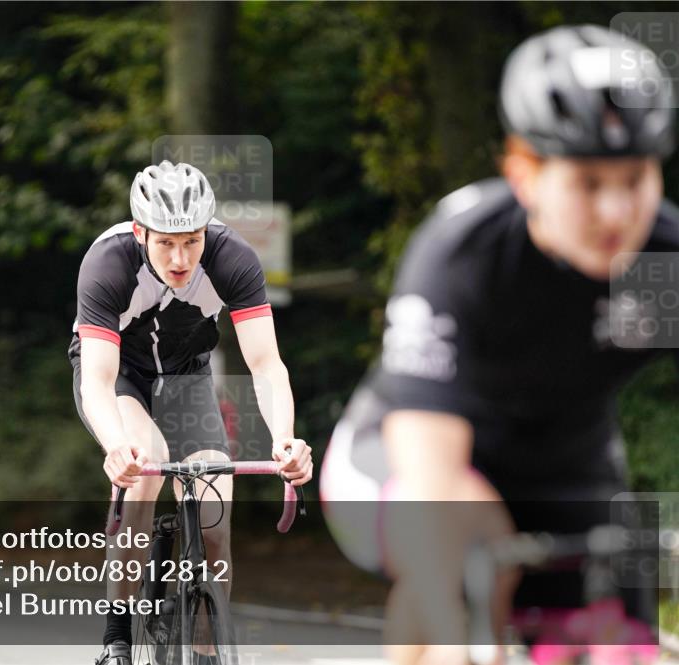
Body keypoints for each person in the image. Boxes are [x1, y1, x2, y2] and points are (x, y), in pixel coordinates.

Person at [319, 24, 677, 665]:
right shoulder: (466, 252)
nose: (618, 211)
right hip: (402, 463)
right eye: (588, 184)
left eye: (635, 179)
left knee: (617, 645)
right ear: (524, 173)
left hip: (567, 471)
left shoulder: (666, 258)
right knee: (459, 563)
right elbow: (430, 463)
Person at [70, 160, 313, 665]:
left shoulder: (233, 258)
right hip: (121, 378)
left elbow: (266, 364)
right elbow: (95, 376)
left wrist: (285, 440)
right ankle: (116, 637)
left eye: (193, 240)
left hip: (187, 378)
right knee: (146, 465)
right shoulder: (108, 263)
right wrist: (117, 447)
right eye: (165, 243)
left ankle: (205, 651)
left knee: (215, 518)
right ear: (140, 232)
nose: (181, 257)